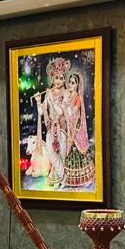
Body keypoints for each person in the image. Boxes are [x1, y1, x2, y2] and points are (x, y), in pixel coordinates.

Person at [32, 57, 72, 187]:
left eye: (61, 78)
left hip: (62, 128)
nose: (59, 81)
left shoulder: (66, 93)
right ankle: (64, 178)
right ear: (52, 78)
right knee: (51, 153)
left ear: (64, 79)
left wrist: (52, 101)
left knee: (61, 156)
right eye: (56, 78)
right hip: (51, 129)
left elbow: (61, 112)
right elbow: (41, 112)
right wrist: (39, 101)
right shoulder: (48, 93)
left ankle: (60, 181)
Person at [63, 71, 96, 188]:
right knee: (69, 154)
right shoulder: (67, 95)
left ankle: (85, 178)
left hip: (76, 129)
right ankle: (69, 179)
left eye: (73, 83)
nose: (70, 85)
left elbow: (73, 113)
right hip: (68, 128)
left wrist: (66, 104)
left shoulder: (77, 98)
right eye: (69, 82)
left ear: (77, 85)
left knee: (78, 152)